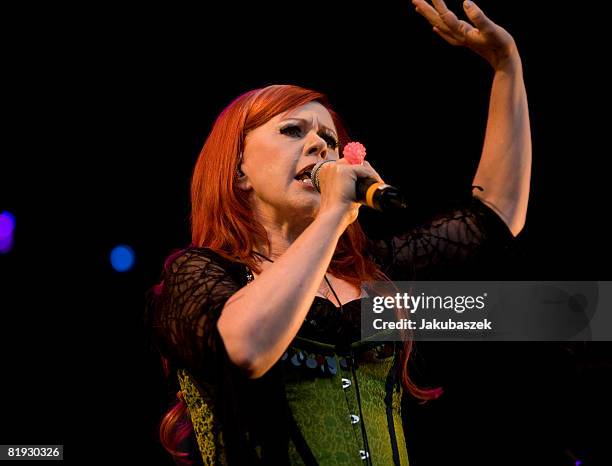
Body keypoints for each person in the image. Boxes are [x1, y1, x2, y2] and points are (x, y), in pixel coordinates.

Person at [146, 1, 531, 464]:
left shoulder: (374, 272)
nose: (318, 145)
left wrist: (508, 66)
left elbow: (493, 214)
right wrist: (333, 214)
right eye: (292, 130)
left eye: (328, 140)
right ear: (239, 172)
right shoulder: (198, 274)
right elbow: (245, 349)